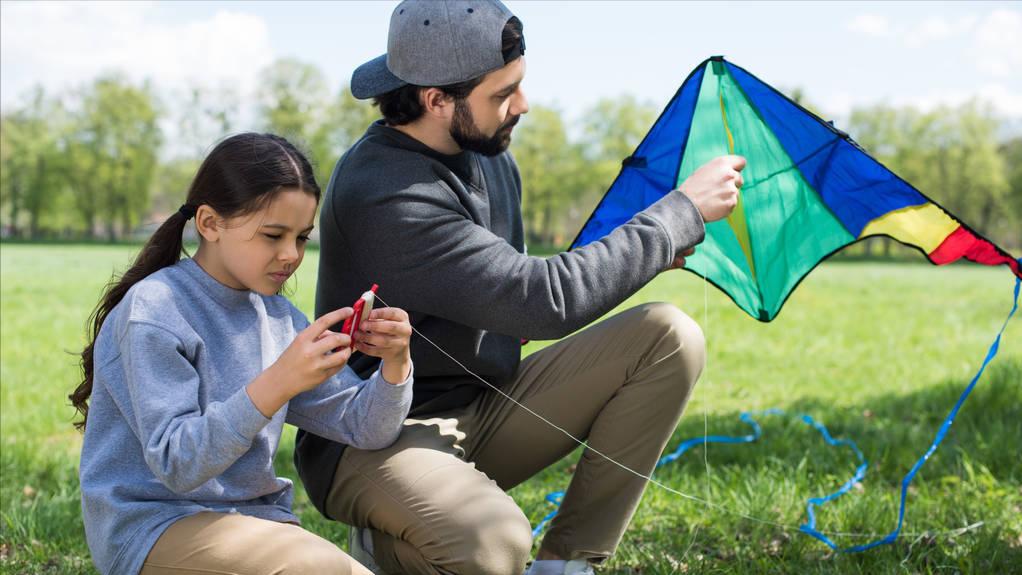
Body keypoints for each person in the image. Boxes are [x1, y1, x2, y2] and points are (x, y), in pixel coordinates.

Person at [294, 2, 746, 574]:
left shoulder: (487, 155)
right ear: (436, 99)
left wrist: (648, 255)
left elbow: (512, 290)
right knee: (493, 542)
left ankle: (565, 563)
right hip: (376, 434)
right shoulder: (384, 191)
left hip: (486, 406)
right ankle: (391, 537)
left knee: (668, 337)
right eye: (503, 93)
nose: (523, 106)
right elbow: (540, 300)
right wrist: (679, 212)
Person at [72, 133, 415, 575]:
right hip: (152, 527)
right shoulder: (155, 309)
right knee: (320, 567)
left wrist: (395, 364)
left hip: (258, 525)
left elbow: (365, 427)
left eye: (302, 238)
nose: (291, 255)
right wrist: (278, 382)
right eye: (273, 235)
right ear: (210, 223)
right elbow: (178, 464)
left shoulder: (278, 316)